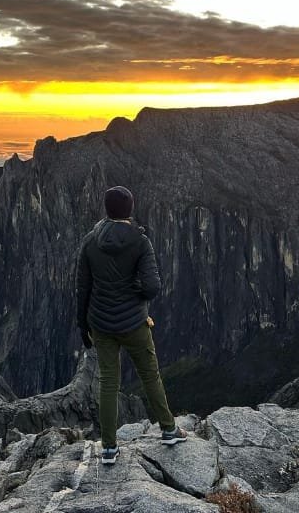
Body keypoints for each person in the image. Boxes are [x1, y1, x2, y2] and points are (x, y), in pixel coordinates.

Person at [75, 185, 187, 464]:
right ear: (130, 209)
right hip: (135, 323)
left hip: (101, 323)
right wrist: (132, 291)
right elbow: (152, 287)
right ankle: (169, 430)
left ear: (106, 209)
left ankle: (109, 448)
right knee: (150, 375)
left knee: (108, 382)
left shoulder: (90, 241)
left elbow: (82, 288)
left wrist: (82, 325)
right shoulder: (140, 242)